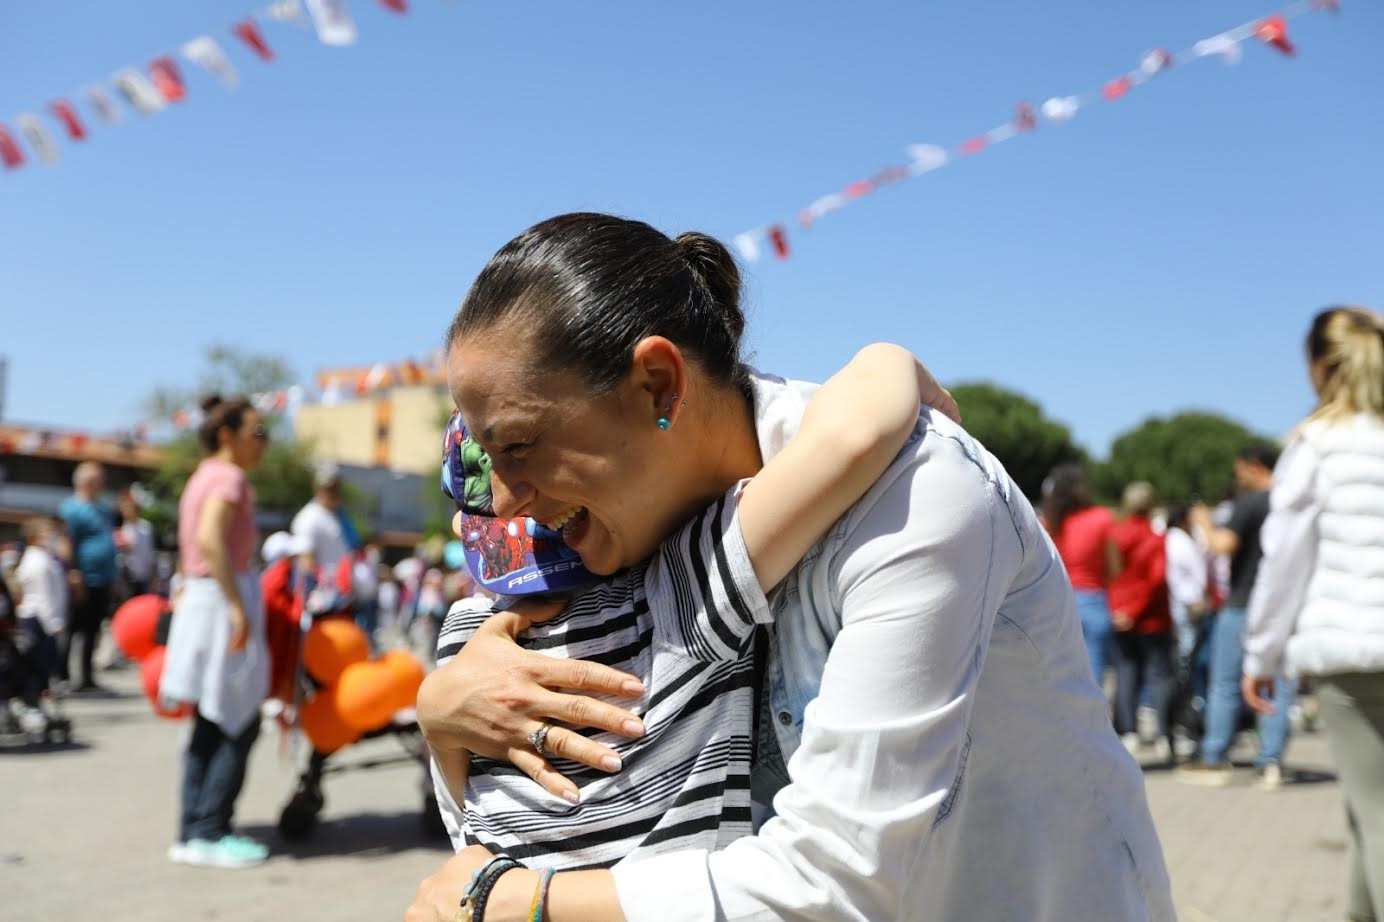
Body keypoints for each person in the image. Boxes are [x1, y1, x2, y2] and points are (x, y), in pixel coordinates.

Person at [406, 213, 1172, 922]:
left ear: (658, 385)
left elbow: (836, 879)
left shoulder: (911, 492)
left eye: (518, 446)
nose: (501, 502)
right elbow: (507, 817)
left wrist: (519, 904)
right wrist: (444, 710)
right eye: (478, 459)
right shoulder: (607, 546)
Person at [431, 344, 927, 873]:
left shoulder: (462, 642)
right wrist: (890, 360)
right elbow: (854, 437)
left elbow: (463, 816)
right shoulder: (678, 596)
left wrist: (433, 707)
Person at [1240, 306, 1384, 922]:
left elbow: (1284, 562)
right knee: (1366, 809)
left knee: (1376, 811)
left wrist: (1261, 654)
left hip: (1350, 652)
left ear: (1320, 368)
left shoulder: (1317, 444)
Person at [159, 395, 271, 869]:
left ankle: (193, 830)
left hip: (203, 598)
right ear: (228, 435)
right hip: (222, 598)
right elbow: (209, 538)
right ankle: (210, 827)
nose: (264, 443)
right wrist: (235, 605)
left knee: (209, 720)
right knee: (237, 720)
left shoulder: (202, 474)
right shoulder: (227, 477)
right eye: (257, 433)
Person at [1178, 440, 1293, 789]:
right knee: (1277, 685)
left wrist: (1203, 523)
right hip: (1283, 604)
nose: (1237, 475)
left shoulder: (1251, 501)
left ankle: (1215, 756)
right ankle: (1270, 760)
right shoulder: (1290, 499)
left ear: (1253, 465)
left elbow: (1222, 545)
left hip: (1243, 603)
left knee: (1224, 682)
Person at [1108, 482, 1174, 763]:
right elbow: (1157, 580)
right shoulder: (1154, 538)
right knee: (1159, 677)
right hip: (1152, 619)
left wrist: (1120, 610)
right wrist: (1135, 610)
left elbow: (1109, 576)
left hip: (1121, 616)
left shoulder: (1114, 536)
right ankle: (1163, 734)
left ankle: (1128, 732)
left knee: (1126, 675)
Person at [1042, 462, 1122, 687]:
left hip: (1059, 603)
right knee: (1093, 681)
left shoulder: (1051, 523)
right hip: (1095, 602)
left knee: (1060, 681)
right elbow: (1115, 568)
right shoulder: (1102, 518)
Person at [57, 461, 118, 692]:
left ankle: (86, 676)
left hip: (103, 579)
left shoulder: (103, 510)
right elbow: (67, 543)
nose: (102, 484)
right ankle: (62, 674)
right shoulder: (71, 508)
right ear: (84, 482)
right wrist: (73, 573)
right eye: (97, 480)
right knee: (74, 628)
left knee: (93, 630)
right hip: (83, 579)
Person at [13, 518, 67, 729]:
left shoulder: (45, 558)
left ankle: (39, 706)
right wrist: (53, 624)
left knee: (45, 669)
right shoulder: (37, 561)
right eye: (47, 532)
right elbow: (43, 597)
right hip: (39, 621)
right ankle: (32, 706)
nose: (52, 536)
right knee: (38, 667)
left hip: (44, 620)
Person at [291, 463, 355, 576]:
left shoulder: (338, 516)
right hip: (324, 590)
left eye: (337, 487)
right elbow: (306, 562)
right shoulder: (308, 518)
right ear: (317, 489)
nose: (336, 492)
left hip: (341, 588)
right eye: (330, 489)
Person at [117, 491, 157, 599]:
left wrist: (153, 573)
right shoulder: (123, 528)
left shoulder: (146, 527)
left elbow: (150, 551)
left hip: (143, 573)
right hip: (127, 574)